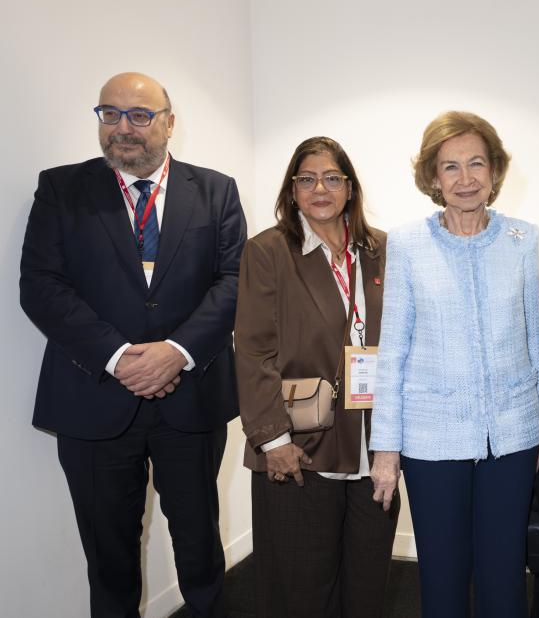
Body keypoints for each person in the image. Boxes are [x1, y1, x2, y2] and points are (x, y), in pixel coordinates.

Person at [19, 72, 246, 617]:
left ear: (169, 123)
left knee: (200, 552)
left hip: (190, 400)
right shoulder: (61, 189)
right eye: (110, 114)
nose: (124, 128)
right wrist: (119, 357)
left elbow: (235, 280)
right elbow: (41, 285)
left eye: (140, 115)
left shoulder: (215, 190)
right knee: (109, 561)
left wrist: (178, 352)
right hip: (93, 401)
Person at [369, 111, 539, 618]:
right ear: (433, 177)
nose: (466, 178)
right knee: (443, 577)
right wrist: (385, 447)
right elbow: (394, 351)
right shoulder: (407, 243)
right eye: (451, 167)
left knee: (503, 577)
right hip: (431, 439)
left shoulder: (524, 239)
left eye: (477, 163)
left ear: (495, 171)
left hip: (513, 435)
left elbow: (532, 335)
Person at [235, 137, 399, 618]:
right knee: (301, 589)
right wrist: (272, 441)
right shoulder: (268, 251)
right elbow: (253, 351)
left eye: (332, 177)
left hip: (375, 445)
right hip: (301, 445)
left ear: (350, 186)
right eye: (306, 179)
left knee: (367, 583)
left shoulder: (381, 249)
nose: (320, 188)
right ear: (292, 190)